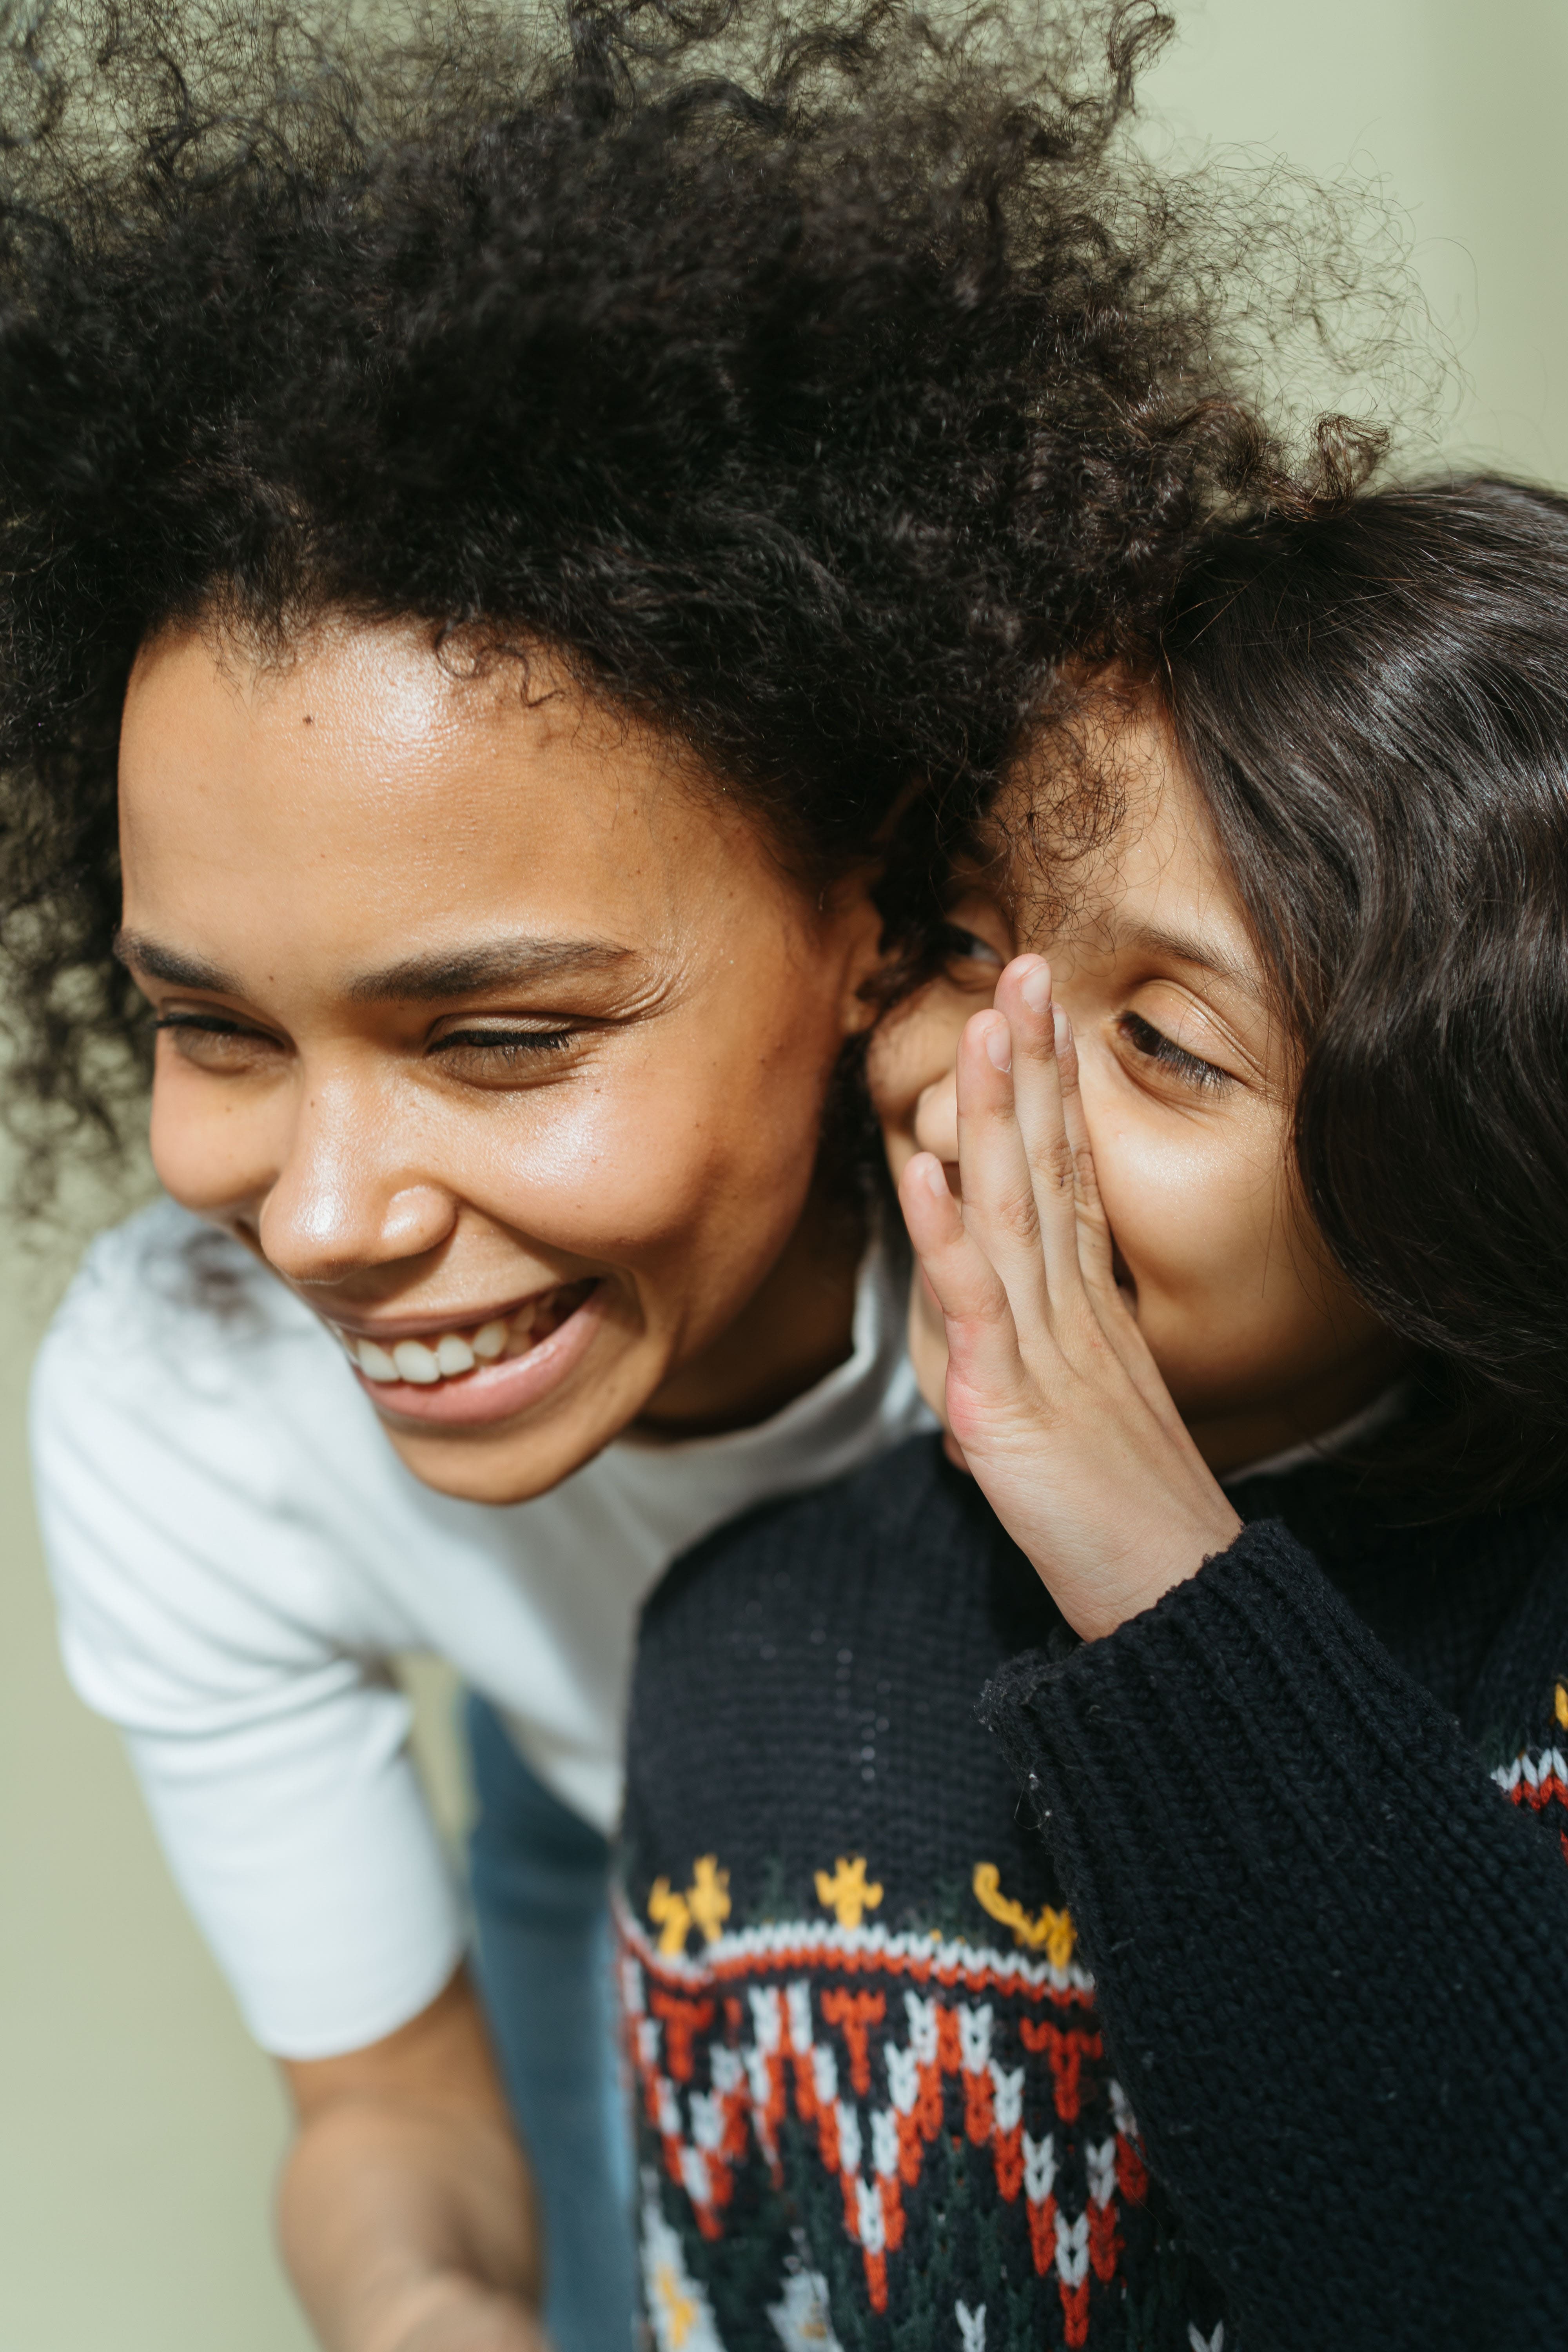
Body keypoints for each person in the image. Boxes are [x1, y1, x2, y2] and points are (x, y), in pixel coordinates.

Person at [0, 2, 1272, 2345]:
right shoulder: (190, 1406)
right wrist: (426, 2315)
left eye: (501, 1039)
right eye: (216, 1031)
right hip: (614, 1829)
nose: (324, 1217)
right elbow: (387, 2123)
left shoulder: (1192, 1262)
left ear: (875, 905)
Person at [619, 476, 1568, 2351]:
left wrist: (1164, 1585)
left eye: (1160, 1042)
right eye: (967, 947)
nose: (981, 1093)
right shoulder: (741, 1655)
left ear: (1464, 1151)